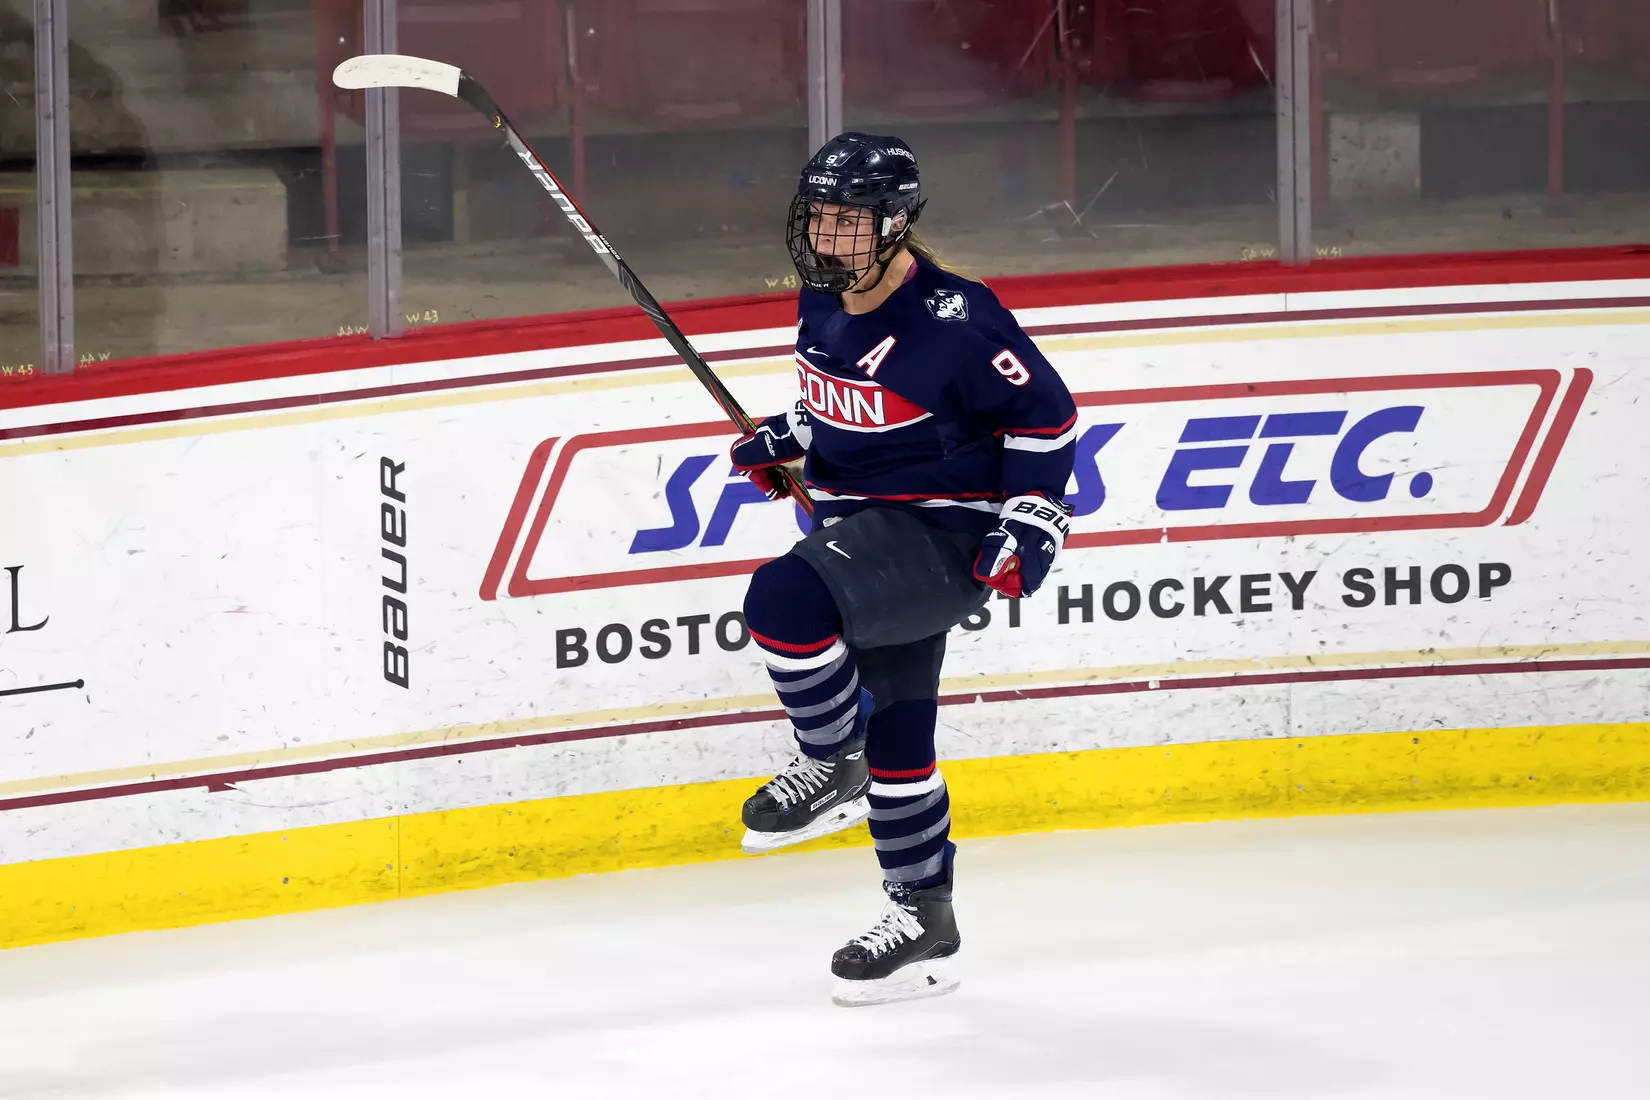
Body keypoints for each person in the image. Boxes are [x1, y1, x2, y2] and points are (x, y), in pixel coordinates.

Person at [730, 133, 1078, 1007]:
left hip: (944, 535)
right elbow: (837, 401)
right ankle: (925, 917)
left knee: (784, 597)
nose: (825, 234)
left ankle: (828, 753)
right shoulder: (822, 294)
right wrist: (799, 436)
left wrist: (1034, 519)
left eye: (847, 220)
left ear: (894, 223)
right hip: (868, 526)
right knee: (901, 735)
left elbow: (1046, 417)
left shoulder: (957, 318)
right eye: (817, 214)